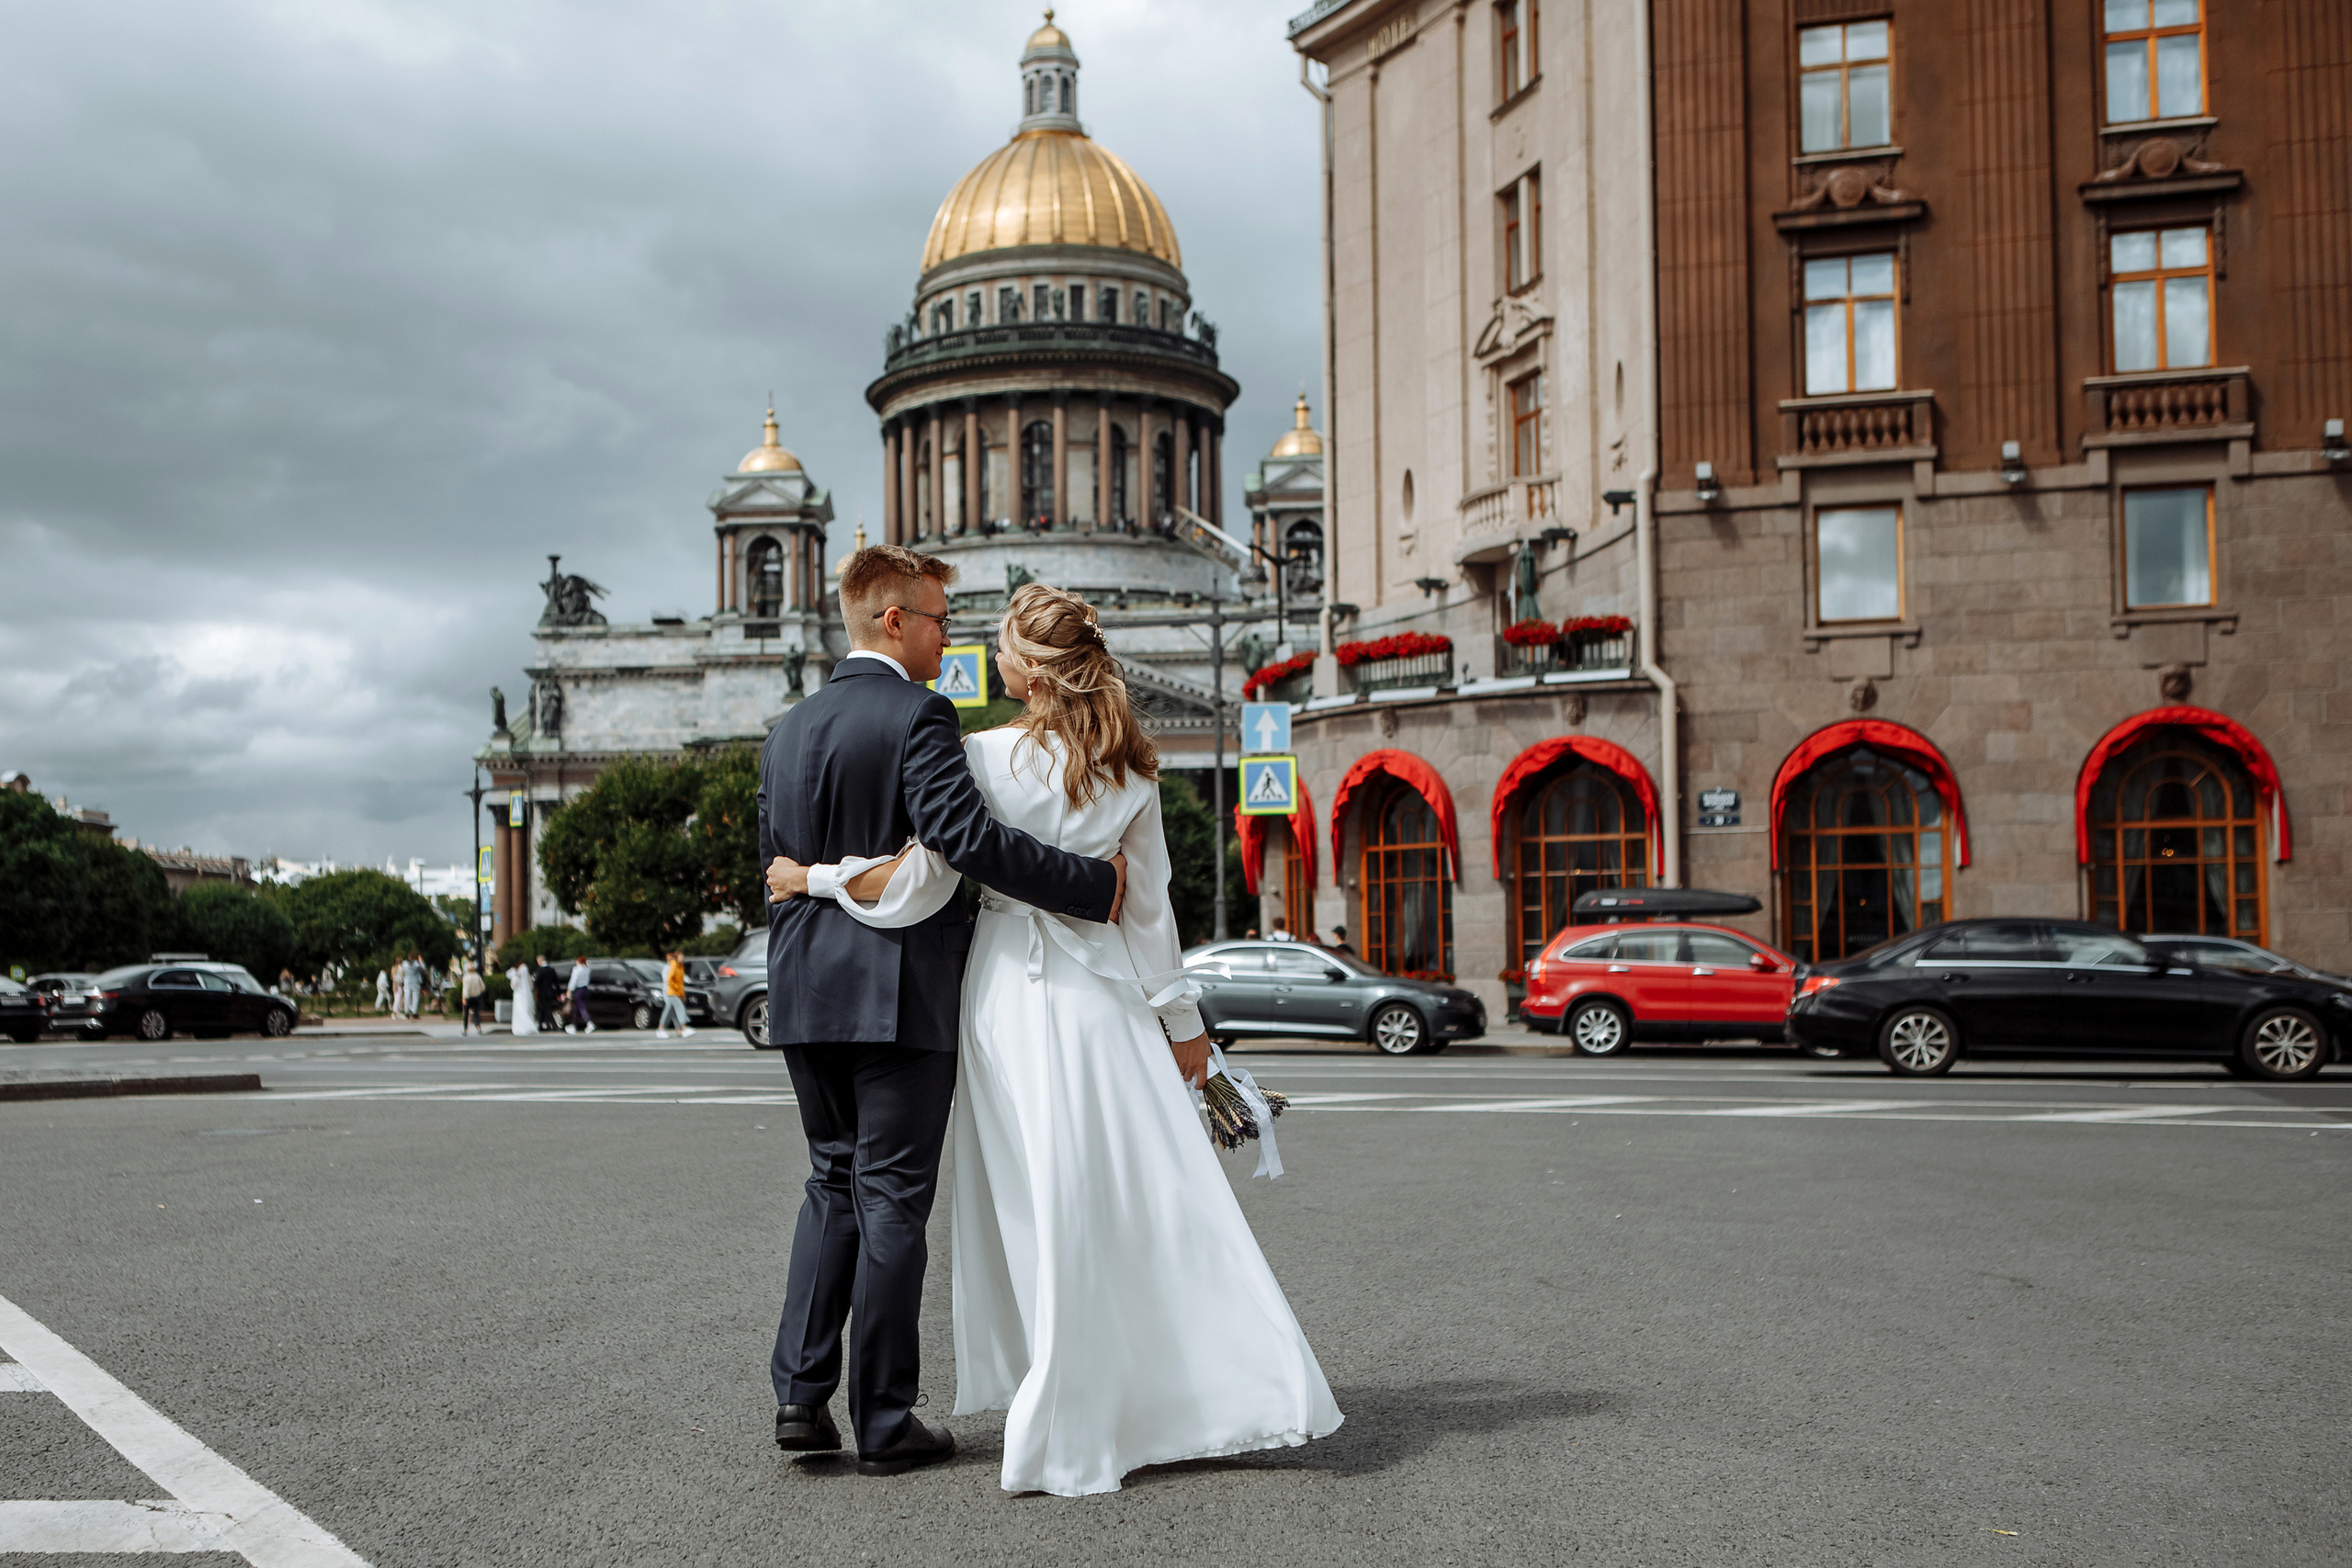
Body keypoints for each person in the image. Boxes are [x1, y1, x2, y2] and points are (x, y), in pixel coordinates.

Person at [772, 581, 1340, 1496]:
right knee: (1135, 1192)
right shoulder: (1133, 770)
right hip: (1101, 995)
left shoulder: (980, 755)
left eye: (1001, 645)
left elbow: (921, 884)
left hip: (1001, 994)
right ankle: (1188, 1385)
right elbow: (1151, 917)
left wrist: (817, 880)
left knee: (1032, 1199)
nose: (985, 654)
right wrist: (1184, 1029)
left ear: (1031, 672)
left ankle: (1057, 1392)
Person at [755, 546, 1127, 1480]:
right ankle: (884, 1419)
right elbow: (962, 840)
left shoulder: (788, 728)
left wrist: (820, 884)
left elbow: (777, 866)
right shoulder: (920, 713)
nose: (947, 640)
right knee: (889, 1197)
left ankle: (800, 1394)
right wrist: (1092, 885)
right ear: (894, 621)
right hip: (896, 990)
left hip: (802, 990)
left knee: (830, 1180)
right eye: (936, 620)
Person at [655, 949, 693, 1039]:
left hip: (676, 992)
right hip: (670, 992)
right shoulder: (670, 966)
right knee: (680, 1008)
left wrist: (682, 993)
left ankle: (663, 1029)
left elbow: (681, 981)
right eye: (681, 957)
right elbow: (668, 980)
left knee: (670, 1010)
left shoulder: (680, 967)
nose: (683, 959)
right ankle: (683, 1028)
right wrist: (675, 988)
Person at [531, 954, 563, 1036]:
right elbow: (556, 982)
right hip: (551, 992)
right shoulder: (552, 970)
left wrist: (533, 988)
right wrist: (559, 993)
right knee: (543, 1009)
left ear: (539, 961)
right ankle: (540, 1025)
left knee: (547, 1009)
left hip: (542, 993)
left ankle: (554, 1025)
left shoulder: (540, 970)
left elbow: (536, 982)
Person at [509, 958, 537, 1036]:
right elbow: (531, 986)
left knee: (519, 1011)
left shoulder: (516, 977)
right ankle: (528, 1025)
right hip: (525, 996)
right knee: (525, 1011)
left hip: (518, 996)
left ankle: (519, 1027)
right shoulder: (528, 978)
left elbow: (513, 986)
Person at [566, 954, 594, 1033]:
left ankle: (589, 1022)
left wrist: (569, 990)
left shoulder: (577, 970)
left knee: (581, 1007)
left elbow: (573, 980)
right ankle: (574, 1025)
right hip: (585, 989)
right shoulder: (587, 969)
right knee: (577, 1008)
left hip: (579, 990)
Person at [460, 965, 487, 1034]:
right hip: (476, 997)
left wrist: (464, 998)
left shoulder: (466, 977)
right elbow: (483, 987)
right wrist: (478, 991)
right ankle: (478, 1028)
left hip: (468, 997)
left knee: (466, 1014)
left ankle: (465, 1030)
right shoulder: (477, 976)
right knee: (476, 1013)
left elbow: (465, 989)